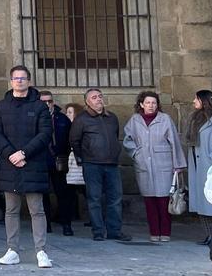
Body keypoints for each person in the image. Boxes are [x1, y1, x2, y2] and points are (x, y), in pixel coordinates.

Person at [0, 65, 53, 268]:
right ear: (11, 81)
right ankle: (12, 250)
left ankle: (41, 251)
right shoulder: (2, 106)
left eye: (23, 78)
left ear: (29, 81)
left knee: (37, 210)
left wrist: (24, 153)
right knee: (11, 209)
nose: (19, 81)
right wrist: (12, 154)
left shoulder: (39, 106)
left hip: (32, 162)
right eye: (15, 78)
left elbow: (45, 134)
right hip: (10, 163)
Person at [123, 90, 187, 243]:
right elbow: (127, 140)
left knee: (164, 200)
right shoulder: (134, 120)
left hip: (164, 163)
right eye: (148, 103)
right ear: (141, 104)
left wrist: (178, 165)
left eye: (154, 103)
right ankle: (154, 232)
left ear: (158, 105)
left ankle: (165, 232)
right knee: (149, 200)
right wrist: (136, 153)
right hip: (143, 164)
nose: (151, 106)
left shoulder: (165, 119)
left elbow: (175, 142)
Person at [69, 87, 131, 242]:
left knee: (115, 198)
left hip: (111, 163)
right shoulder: (81, 119)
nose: (98, 100)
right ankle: (97, 231)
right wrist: (81, 158)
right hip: (92, 164)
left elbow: (115, 136)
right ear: (87, 102)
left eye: (100, 96)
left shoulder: (112, 117)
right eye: (94, 97)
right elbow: (74, 140)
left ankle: (114, 231)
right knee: (94, 198)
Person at [186, 90, 212, 245]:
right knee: (201, 202)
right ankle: (210, 235)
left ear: (204, 101)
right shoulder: (195, 118)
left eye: (196, 99)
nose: (193, 101)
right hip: (198, 165)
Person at [40, 90, 76, 236]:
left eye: (49, 101)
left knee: (63, 194)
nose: (47, 104)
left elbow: (70, 139)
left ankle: (66, 224)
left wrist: (66, 156)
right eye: (43, 102)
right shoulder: (35, 118)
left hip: (59, 161)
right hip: (41, 161)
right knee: (42, 195)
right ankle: (46, 224)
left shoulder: (62, 119)